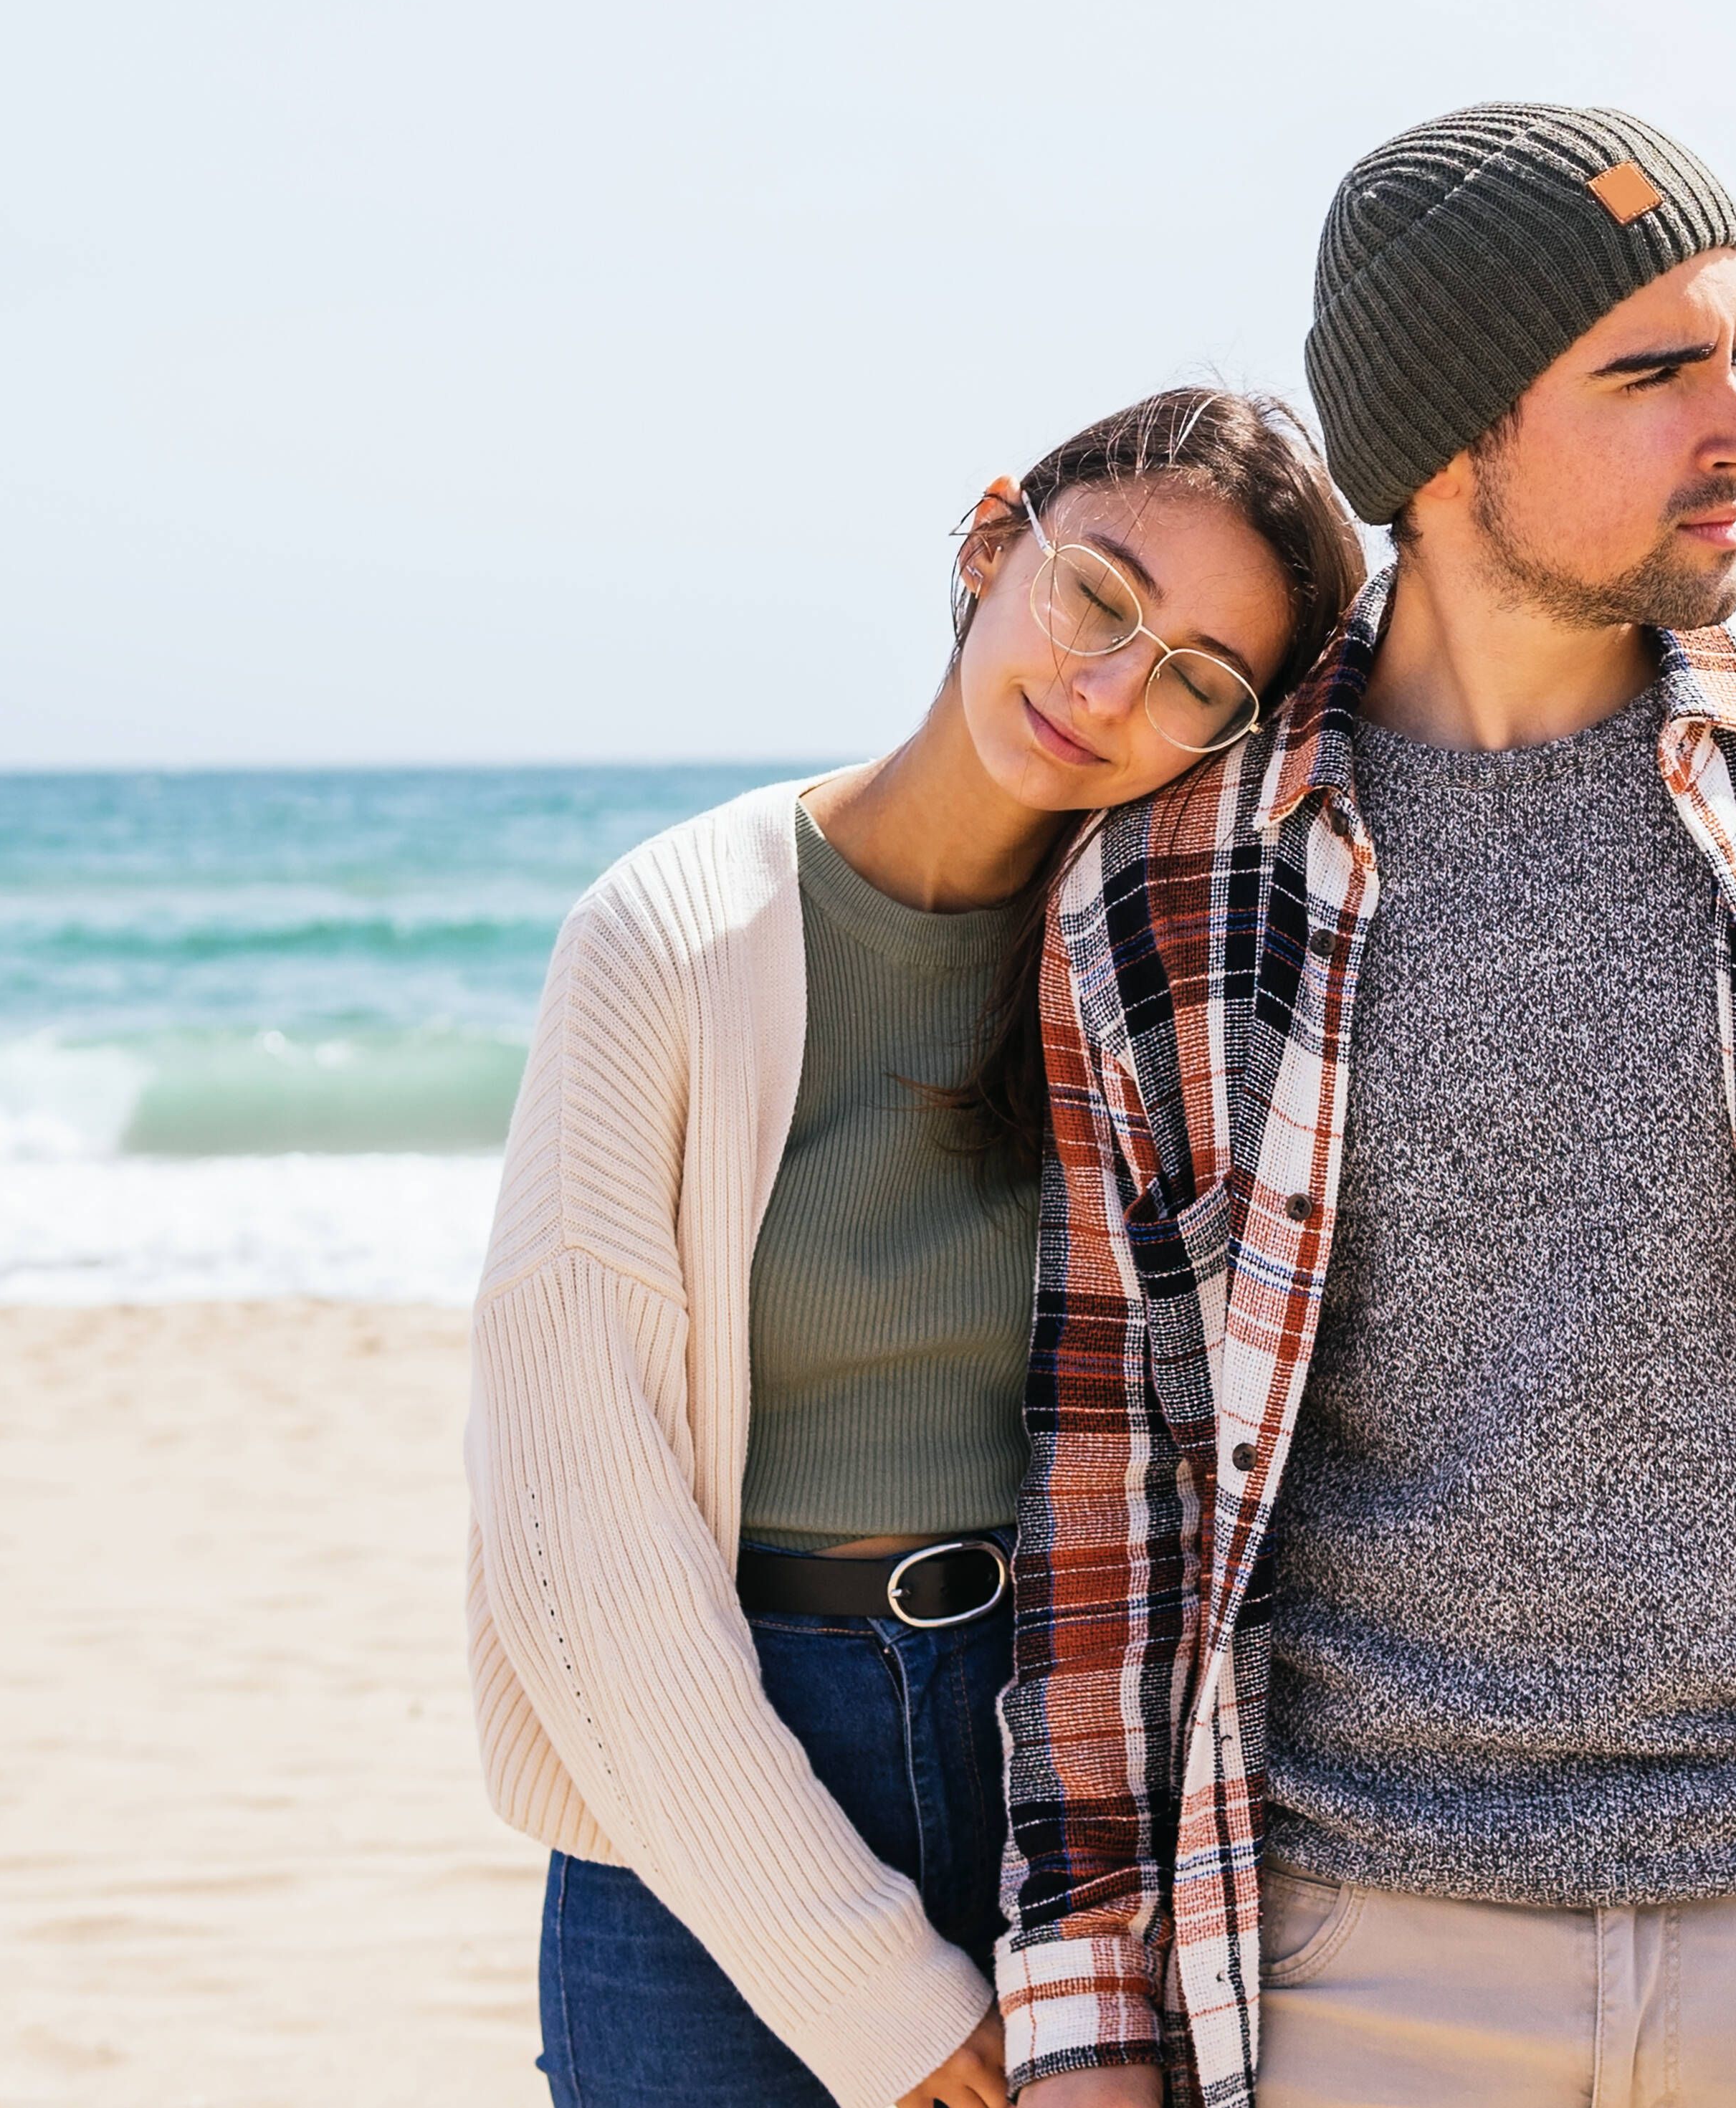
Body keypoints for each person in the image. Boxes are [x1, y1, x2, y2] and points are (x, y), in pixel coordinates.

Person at [1000, 107, 1736, 2108]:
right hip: (1349, 1957)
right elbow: (1109, 1474)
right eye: (1654, 375)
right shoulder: (1171, 887)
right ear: (1445, 445)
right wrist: (1093, 2026)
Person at [465, 388, 1365, 2108]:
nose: (1109, 690)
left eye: (1196, 677)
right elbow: (577, 1519)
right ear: (985, 543)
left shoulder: (1165, 978)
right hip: (717, 1777)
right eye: (1096, 596)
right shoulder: (672, 930)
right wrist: (861, 1977)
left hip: (1075, 1772)